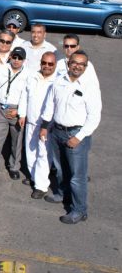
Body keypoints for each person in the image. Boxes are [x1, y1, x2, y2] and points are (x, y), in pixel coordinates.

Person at [39, 50, 102, 224]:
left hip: (76, 134)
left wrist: (79, 137)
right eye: (74, 63)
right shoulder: (59, 81)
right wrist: (45, 127)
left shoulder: (89, 87)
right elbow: (50, 104)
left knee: (77, 176)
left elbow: (94, 117)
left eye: (82, 64)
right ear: (68, 63)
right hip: (57, 131)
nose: (77, 66)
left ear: (86, 67)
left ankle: (79, 210)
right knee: (60, 169)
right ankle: (62, 194)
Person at [0, 47, 30, 179]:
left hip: (16, 110)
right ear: (10, 56)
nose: (16, 61)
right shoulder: (1, 69)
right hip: (0, 108)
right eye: (14, 57)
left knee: (17, 142)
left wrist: (21, 113)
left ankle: (14, 167)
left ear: (24, 60)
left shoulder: (28, 74)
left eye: (19, 58)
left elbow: (26, 95)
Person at [18, 51, 57, 199]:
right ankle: (34, 177)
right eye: (44, 63)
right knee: (30, 151)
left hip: (46, 126)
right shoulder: (32, 76)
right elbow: (24, 96)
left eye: (50, 64)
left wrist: (46, 126)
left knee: (43, 155)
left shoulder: (56, 81)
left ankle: (41, 186)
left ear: (55, 65)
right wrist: (22, 114)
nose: (46, 66)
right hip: (31, 121)